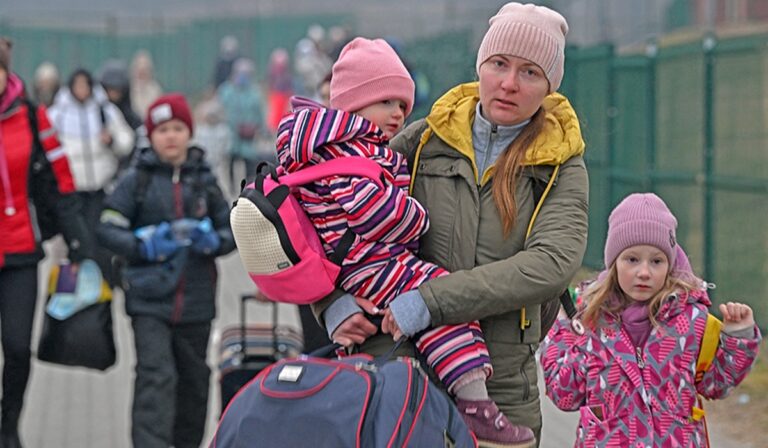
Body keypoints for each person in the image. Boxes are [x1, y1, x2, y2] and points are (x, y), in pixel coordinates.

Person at [318, 3, 587, 445]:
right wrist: (331, 303)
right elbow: (318, 210)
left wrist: (429, 301)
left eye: (530, 73)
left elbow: (550, 265)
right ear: (480, 64)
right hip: (395, 372)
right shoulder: (424, 140)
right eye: (499, 64)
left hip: (498, 387)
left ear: (549, 86)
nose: (509, 83)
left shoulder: (560, 163)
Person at [276, 37, 535, 447]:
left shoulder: (333, 147)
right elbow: (373, 212)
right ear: (355, 104)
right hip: (370, 264)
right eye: (386, 103)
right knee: (441, 300)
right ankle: (474, 401)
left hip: (363, 264)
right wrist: (418, 217)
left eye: (402, 104)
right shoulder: (346, 153)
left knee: (433, 307)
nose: (398, 114)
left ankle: (470, 398)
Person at [540, 193, 761, 446]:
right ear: (614, 263)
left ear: (670, 264)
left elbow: (716, 385)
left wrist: (738, 338)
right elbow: (564, 394)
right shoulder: (590, 320)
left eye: (656, 261)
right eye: (632, 259)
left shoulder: (692, 321)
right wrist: (561, 330)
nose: (644, 272)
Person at [96, 93, 235, 448]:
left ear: (189, 132)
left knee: (193, 382)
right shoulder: (136, 179)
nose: (170, 137)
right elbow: (108, 225)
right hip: (148, 301)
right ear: (150, 135)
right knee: (156, 379)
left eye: (178, 128)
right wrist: (142, 245)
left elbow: (233, 227)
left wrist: (213, 241)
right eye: (162, 130)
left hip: (197, 302)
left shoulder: (204, 178)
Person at [0, 37, 93, 448]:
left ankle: (8, 424)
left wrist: (78, 240)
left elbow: (60, 181)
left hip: (20, 251)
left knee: (18, 348)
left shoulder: (33, 118)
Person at [48, 68, 135, 286]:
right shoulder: (57, 113)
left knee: (100, 245)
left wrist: (111, 140)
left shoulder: (105, 110)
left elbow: (127, 141)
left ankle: (102, 292)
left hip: (100, 189)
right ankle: (68, 297)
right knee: (72, 246)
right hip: (70, 191)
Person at [218, 57, 268, 191]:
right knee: (231, 160)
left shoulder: (254, 93)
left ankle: (247, 188)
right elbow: (220, 109)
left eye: (246, 74)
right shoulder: (226, 91)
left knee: (249, 163)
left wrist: (262, 128)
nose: (243, 77)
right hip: (231, 133)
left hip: (248, 134)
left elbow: (260, 113)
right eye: (240, 73)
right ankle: (231, 188)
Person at [129, 50, 163, 119]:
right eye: (139, 68)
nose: (142, 71)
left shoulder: (155, 89)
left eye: (145, 68)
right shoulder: (128, 89)